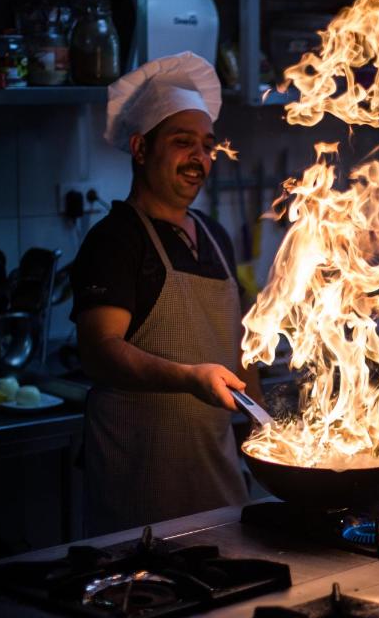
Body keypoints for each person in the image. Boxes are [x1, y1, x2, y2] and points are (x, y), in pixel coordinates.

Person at [70, 52, 259, 536]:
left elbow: (241, 344)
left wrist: (266, 429)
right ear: (140, 148)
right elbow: (99, 351)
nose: (200, 158)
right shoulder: (116, 239)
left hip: (217, 483)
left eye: (207, 146)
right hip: (140, 495)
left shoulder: (215, 235)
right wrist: (189, 378)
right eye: (182, 143)